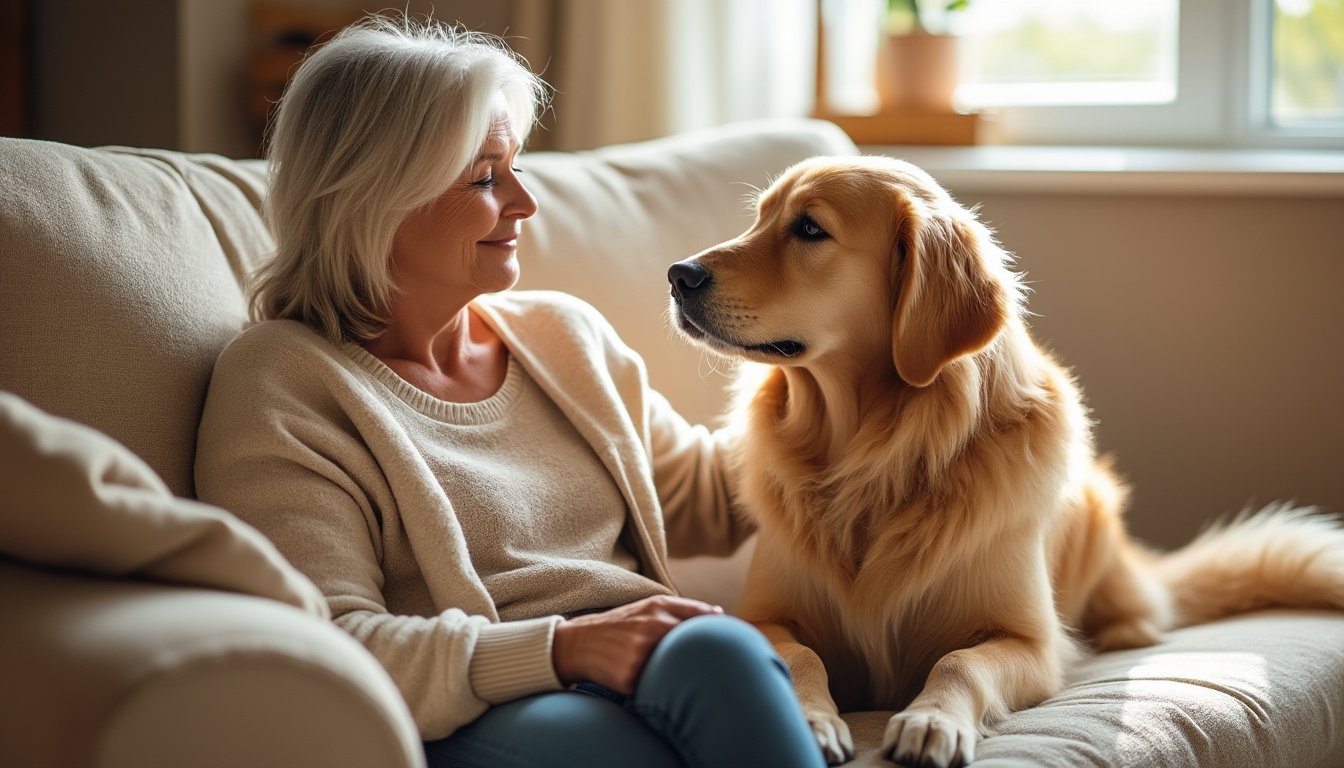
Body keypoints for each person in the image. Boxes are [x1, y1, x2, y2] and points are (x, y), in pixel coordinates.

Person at [194, 15, 828, 768]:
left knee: (719, 650)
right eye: (487, 178)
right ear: (374, 195)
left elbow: (711, 493)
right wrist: (563, 649)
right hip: (486, 703)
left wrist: (866, 392)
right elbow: (330, 642)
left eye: (516, 168)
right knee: (687, 687)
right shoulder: (285, 383)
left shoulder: (565, 339)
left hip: (664, 667)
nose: (524, 205)